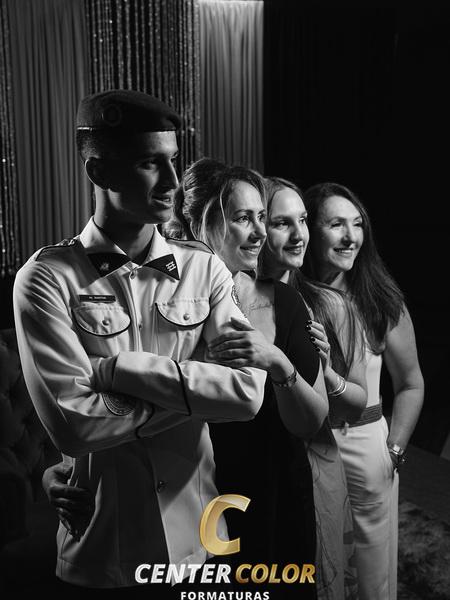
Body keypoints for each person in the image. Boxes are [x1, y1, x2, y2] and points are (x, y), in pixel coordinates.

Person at [13, 90, 266, 593]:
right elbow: (74, 426)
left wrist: (119, 372)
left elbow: (247, 393)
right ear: (99, 171)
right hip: (104, 550)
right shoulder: (46, 278)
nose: (173, 181)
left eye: (173, 160)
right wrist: (197, 393)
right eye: (151, 163)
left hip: (200, 542)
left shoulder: (205, 268)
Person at [44, 157, 328, 600]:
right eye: (242, 218)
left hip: (273, 493)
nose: (258, 233)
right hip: (189, 500)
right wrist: (64, 471)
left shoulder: (286, 304)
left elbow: (310, 419)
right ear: (196, 222)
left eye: (262, 218)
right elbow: (84, 409)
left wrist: (278, 363)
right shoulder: (153, 301)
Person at [209, 175, 367, 600]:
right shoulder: (221, 295)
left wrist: (324, 374)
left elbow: (357, 403)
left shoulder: (325, 303)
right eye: (280, 222)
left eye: (303, 220)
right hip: (238, 480)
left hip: (312, 460)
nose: (298, 234)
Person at [302, 182, 425, 600]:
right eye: (336, 224)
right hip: (307, 444)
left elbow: (411, 383)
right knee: (317, 565)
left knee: (371, 573)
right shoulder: (290, 293)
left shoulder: (379, 300)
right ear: (310, 229)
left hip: (364, 445)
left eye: (357, 225)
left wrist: (394, 450)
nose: (350, 236)